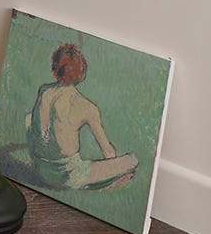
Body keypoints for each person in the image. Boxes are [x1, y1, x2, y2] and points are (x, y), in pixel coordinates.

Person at [24, 41, 138, 190]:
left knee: (28, 118)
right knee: (131, 161)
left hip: (40, 169)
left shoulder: (44, 90)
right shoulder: (88, 107)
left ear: (56, 67)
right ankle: (98, 184)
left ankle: (90, 182)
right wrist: (110, 166)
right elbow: (108, 152)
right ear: (81, 72)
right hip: (67, 176)